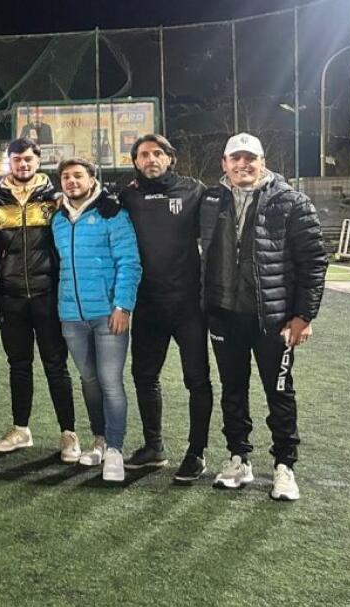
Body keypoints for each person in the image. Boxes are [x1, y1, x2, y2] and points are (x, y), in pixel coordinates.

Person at [199, 133, 327, 501]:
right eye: (235, 158)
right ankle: (238, 457)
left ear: (262, 162)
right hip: (225, 315)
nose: (243, 164)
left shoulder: (292, 202)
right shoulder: (210, 200)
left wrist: (303, 315)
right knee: (232, 391)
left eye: (250, 158)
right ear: (224, 164)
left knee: (280, 392)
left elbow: (314, 262)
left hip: (274, 319)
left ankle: (284, 465)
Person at [118, 134, 214, 482]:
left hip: (188, 306)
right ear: (135, 162)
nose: (151, 159)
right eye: (144, 154)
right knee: (144, 376)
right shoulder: (127, 196)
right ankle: (153, 447)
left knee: (197, 379)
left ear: (170, 158)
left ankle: (196, 452)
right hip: (148, 305)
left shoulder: (194, 190)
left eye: (158, 153)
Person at [0, 138, 80, 461]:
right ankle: (21, 429)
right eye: (17, 160)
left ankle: (69, 434)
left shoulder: (56, 199)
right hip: (11, 298)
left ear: (38, 161)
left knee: (56, 365)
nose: (23, 165)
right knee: (19, 365)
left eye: (28, 159)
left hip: (48, 296)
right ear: (8, 163)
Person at [51, 158, 141, 482]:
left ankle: (115, 450)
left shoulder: (112, 213)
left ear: (92, 179)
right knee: (88, 380)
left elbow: (129, 261)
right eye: (66, 177)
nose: (72, 181)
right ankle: (100, 441)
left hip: (107, 314)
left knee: (110, 381)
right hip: (71, 316)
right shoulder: (58, 219)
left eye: (78, 175)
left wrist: (123, 306)